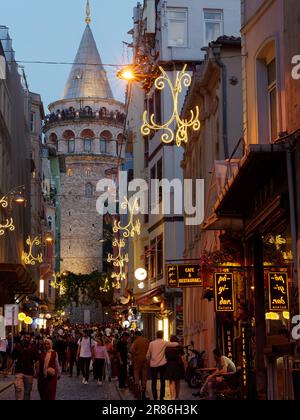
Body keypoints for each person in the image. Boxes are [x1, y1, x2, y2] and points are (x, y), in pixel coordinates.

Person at [147, 331, 179, 400]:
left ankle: (155, 397)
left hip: (153, 365)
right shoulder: (164, 342)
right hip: (162, 364)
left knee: (154, 381)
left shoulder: (151, 343)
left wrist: (148, 360)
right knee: (162, 381)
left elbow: (148, 354)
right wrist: (178, 343)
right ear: (162, 336)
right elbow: (175, 344)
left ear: (156, 335)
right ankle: (161, 397)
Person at [12, 334, 39, 400]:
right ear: (23, 338)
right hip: (19, 371)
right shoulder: (18, 346)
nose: (26, 339)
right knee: (18, 389)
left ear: (30, 339)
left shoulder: (33, 347)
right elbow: (12, 358)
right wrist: (8, 369)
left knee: (27, 392)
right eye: (25, 337)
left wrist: (37, 371)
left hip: (29, 372)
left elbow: (36, 360)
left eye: (28, 338)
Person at [164, 335, 186, 400]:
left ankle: (172, 396)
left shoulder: (167, 348)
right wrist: (185, 365)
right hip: (178, 365)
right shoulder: (179, 347)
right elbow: (183, 357)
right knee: (177, 381)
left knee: (171, 381)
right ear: (176, 340)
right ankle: (177, 396)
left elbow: (165, 357)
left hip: (169, 365)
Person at [130, 330, 149, 399]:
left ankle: (137, 385)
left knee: (136, 372)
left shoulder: (136, 341)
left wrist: (132, 359)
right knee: (144, 373)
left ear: (136, 335)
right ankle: (143, 388)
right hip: (145, 359)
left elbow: (132, 351)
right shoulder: (147, 341)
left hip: (137, 359)